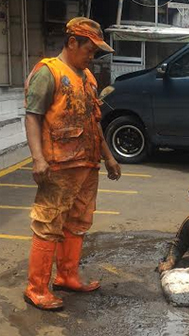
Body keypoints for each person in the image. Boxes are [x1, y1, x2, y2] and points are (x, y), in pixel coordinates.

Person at [23, 17, 121, 310]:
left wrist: (109, 157)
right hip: (58, 165)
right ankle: (37, 288)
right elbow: (32, 116)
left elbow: (94, 121)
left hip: (87, 164)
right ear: (72, 42)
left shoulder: (88, 77)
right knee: (48, 223)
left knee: (78, 222)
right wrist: (38, 159)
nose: (93, 55)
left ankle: (67, 276)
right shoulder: (48, 72)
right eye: (90, 49)